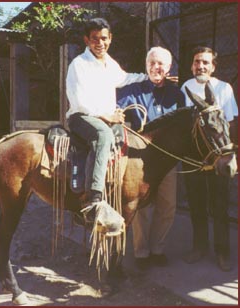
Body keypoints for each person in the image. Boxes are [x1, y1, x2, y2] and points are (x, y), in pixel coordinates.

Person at [66, 18, 146, 221]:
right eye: (94, 39)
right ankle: (93, 199)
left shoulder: (109, 63)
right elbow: (80, 100)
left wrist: (150, 78)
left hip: (103, 117)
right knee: (103, 136)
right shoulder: (79, 64)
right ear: (86, 40)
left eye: (103, 38)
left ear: (110, 38)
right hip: (82, 117)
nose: (99, 43)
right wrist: (108, 116)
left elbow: (125, 78)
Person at [117, 46, 185, 269]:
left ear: (169, 67)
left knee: (168, 204)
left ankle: (158, 249)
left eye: (161, 64)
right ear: (146, 65)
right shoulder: (132, 90)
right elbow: (115, 109)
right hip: (141, 159)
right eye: (152, 63)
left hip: (167, 159)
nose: (157, 67)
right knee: (142, 206)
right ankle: (141, 252)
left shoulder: (177, 94)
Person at [181, 46, 238, 271]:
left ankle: (222, 251)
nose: (201, 66)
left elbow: (231, 123)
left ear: (213, 66)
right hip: (193, 156)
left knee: (219, 205)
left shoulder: (224, 88)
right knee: (196, 204)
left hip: (219, 156)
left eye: (205, 62)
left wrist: (231, 154)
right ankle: (199, 247)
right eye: (197, 62)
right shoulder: (185, 87)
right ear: (191, 65)